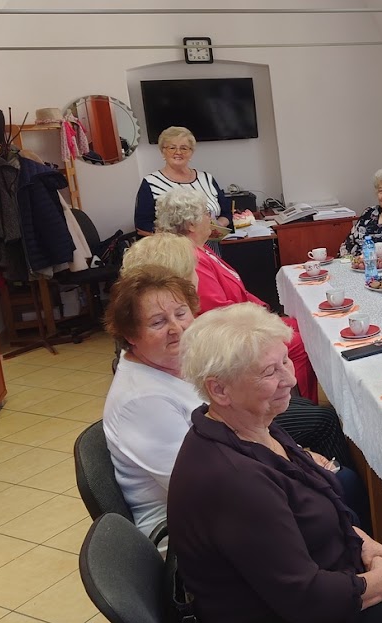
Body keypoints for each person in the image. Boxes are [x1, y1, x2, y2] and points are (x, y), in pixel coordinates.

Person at [168, 304, 382, 623]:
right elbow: (306, 600)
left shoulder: (250, 424)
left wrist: (364, 543)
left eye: (285, 361)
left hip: (334, 570)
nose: (290, 379)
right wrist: (381, 581)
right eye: (269, 372)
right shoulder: (235, 480)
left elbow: (317, 504)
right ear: (219, 390)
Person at [103, 265, 365, 538]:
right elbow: (201, 485)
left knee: (337, 483)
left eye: (181, 313)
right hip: (198, 528)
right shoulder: (141, 402)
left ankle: (360, 544)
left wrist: (297, 456)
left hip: (236, 479)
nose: (176, 328)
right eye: (158, 322)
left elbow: (241, 426)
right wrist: (294, 471)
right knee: (338, 487)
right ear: (130, 335)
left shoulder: (169, 363)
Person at [155, 187, 320, 402]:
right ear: (191, 224)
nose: (211, 218)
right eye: (206, 213)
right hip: (228, 332)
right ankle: (297, 403)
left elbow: (236, 289)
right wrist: (260, 317)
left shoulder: (201, 248)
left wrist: (262, 310)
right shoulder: (191, 257)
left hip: (241, 316)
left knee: (304, 324)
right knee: (300, 342)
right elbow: (216, 310)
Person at [135, 126, 231, 235]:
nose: (178, 152)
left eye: (184, 148)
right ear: (163, 151)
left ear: (191, 152)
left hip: (210, 242)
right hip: (171, 244)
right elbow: (142, 225)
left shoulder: (207, 178)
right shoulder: (150, 183)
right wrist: (178, 238)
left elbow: (227, 213)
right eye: (172, 148)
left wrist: (217, 227)